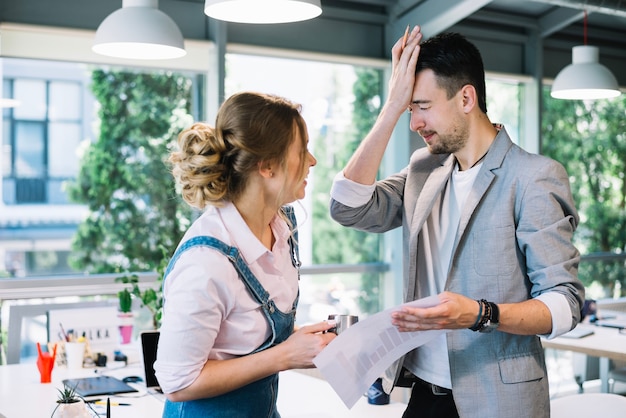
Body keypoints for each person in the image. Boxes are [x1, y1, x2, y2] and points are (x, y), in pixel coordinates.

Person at [329, 27, 584, 418]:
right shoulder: (423, 170)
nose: (414, 122)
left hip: (499, 401)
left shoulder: (532, 176)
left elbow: (564, 304)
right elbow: (348, 207)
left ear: (466, 97)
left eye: (422, 106)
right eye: (409, 108)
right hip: (424, 394)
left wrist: (481, 314)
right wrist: (391, 107)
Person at [155, 91, 336, 418]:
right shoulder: (205, 263)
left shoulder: (283, 226)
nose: (312, 161)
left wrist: (303, 340)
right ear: (267, 166)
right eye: (302, 150)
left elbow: (243, 338)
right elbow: (177, 381)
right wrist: (285, 355)